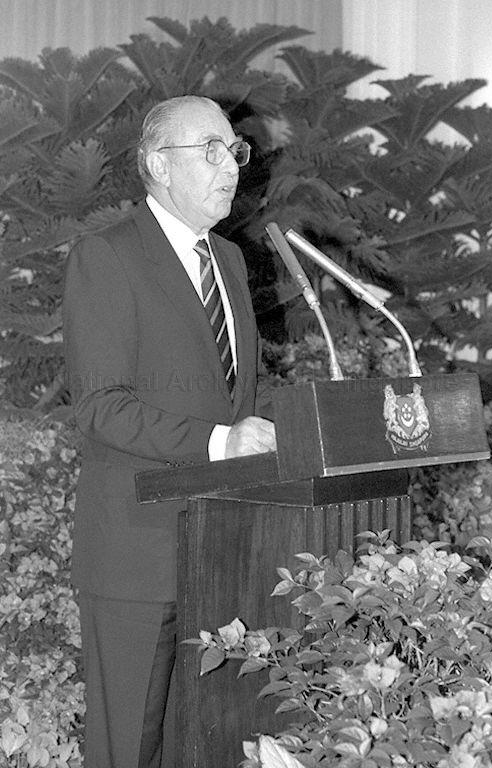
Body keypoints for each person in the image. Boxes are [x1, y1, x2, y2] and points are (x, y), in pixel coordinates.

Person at [63, 95, 276, 768]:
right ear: (156, 163)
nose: (231, 166)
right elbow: (100, 406)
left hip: (219, 553)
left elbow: (235, 395)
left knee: (202, 745)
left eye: (234, 150)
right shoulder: (108, 257)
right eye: (208, 150)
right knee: (127, 750)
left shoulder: (232, 263)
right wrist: (220, 444)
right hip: (136, 556)